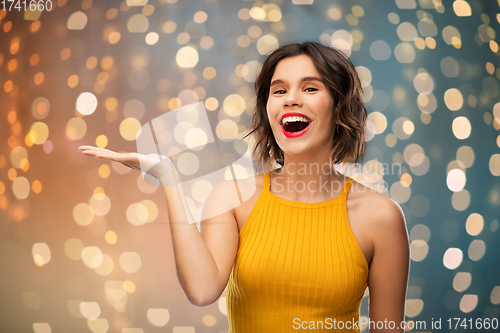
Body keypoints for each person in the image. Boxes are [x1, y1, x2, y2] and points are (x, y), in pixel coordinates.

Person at [79, 41, 410, 332]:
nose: (291, 99)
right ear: (268, 111)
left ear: (339, 109)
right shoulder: (233, 198)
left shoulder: (381, 217)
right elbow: (202, 290)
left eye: (310, 88)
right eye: (279, 91)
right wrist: (168, 176)